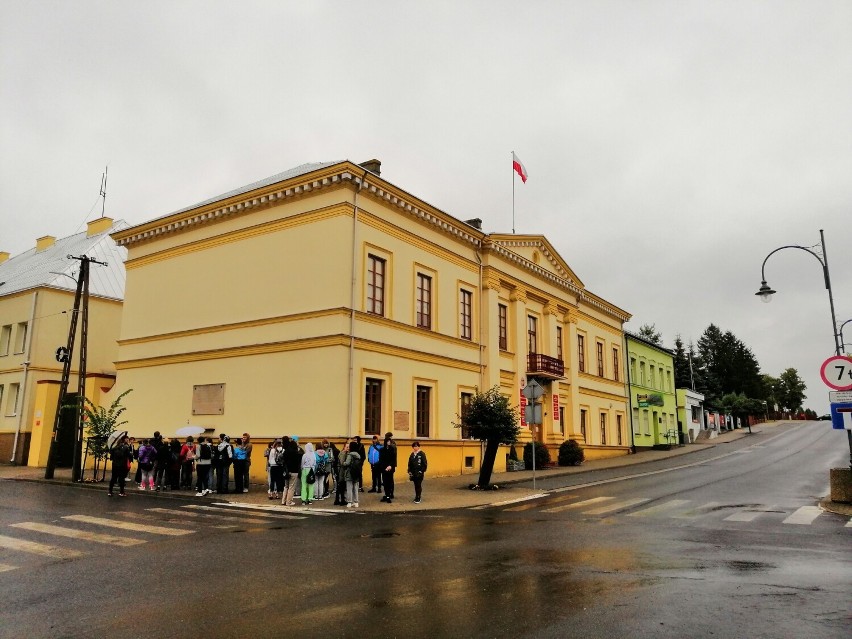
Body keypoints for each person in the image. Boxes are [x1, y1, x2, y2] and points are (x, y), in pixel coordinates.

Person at [282, 437, 302, 506]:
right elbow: (299, 460)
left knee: (286, 486)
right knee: (291, 487)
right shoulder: (296, 453)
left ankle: (283, 501)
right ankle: (289, 502)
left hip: (286, 471)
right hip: (294, 471)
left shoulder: (285, 452)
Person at [378, 432, 397, 503]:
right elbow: (381, 459)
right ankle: (386, 495)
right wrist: (384, 467)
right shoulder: (382, 450)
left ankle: (389, 496)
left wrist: (390, 466)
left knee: (389, 482)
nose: (389, 442)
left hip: (390, 468)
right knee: (385, 482)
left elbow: (393, 459)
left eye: (390, 441)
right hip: (384, 468)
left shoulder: (392, 449)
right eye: (388, 441)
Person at [341, 442, 361, 508]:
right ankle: (356, 502)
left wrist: (343, 463)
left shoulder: (350, 455)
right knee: (355, 488)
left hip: (350, 473)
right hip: (356, 473)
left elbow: (347, 463)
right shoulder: (358, 455)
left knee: (349, 488)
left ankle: (349, 502)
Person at [334, 441, 350, 506]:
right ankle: (341, 500)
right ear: (344, 447)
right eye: (347, 447)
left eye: (349, 447)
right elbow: (342, 463)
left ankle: (338, 500)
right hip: (341, 472)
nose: (348, 448)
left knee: (340, 486)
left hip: (341, 472)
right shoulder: (343, 453)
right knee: (341, 486)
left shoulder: (345, 453)